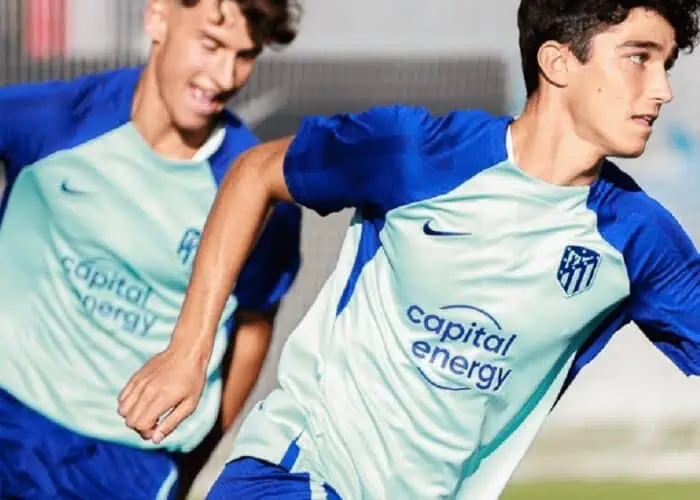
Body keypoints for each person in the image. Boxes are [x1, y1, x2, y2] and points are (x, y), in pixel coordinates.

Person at [119, 0, 700, 498]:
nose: (662, 90)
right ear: (558, 62)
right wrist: (188, 352)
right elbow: (254, 173)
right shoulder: (417, 154)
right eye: (639, 57)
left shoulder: (638, 239)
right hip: (297, 470)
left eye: (666, 65)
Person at [0, 0, 301, 498]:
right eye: (210, 44)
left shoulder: (254, 195)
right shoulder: (51, 122)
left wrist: (194, 461)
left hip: (132, 461)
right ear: (158, 18)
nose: (225, 76)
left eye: (245, 55)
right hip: (10, 414)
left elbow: (253, 323)